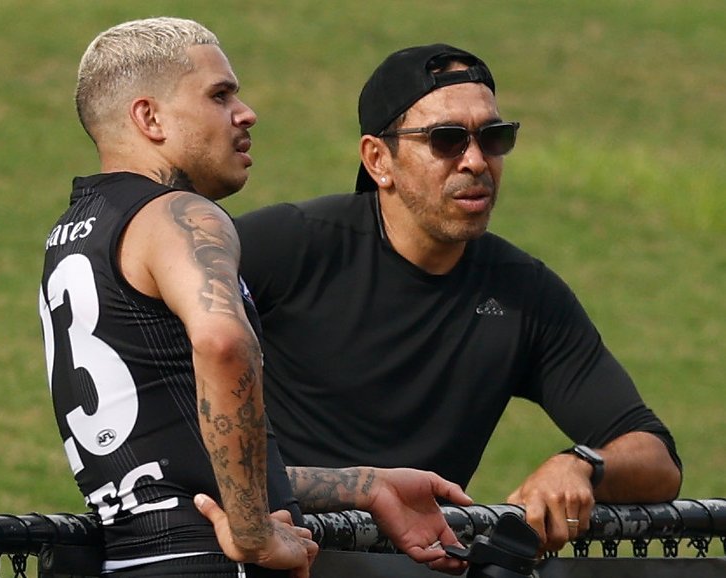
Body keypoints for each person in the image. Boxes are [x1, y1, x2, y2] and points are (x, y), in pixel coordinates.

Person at [39, 21, 472, 577]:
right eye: (220, 95)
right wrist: (253, 532)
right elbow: (223, 343)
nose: (246, 113)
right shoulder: (181, 214)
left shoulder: (77, 230)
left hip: (138, 561)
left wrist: (365, 485)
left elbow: (176, 456)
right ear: (150, 118)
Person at [234, 43, 684, 552]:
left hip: (419, 564)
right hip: (276, 555)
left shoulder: (524, 292)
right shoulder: (287, 247)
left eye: (493, 138)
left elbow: (656, 458)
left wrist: (582, 464)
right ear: (379, 159)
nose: (475, 161)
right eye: (446, 140)